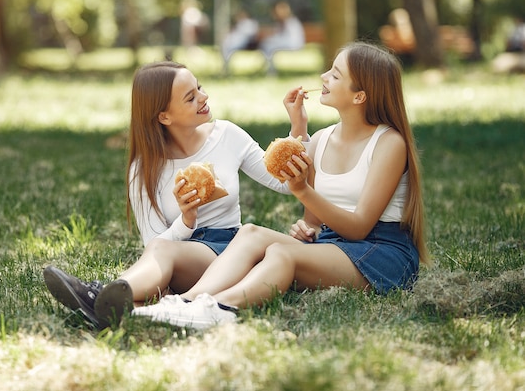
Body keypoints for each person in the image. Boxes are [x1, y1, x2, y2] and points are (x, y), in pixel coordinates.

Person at [132, 42, 430, 330]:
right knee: (251, 233)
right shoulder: (322, 139)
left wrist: (303, 191)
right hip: (334, 244)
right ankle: (185, 303)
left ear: (359, 96)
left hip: (381, 254)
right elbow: (314, 221)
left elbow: (359, 228)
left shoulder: (389, 142)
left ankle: (221, 308)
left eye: (335, 74)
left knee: (281, 254)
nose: (324, 77)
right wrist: (308, 228)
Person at [43, 60, 298, 329]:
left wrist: (297, 128)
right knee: (160, 248)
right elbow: (153, 243)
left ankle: (98, 297)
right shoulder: (143, 169)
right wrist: (186, 221)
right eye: (191, 98)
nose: (204, 97)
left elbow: (283, 183)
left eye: (199, 88)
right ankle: (110, 303)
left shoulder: (227, 135)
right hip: (183, 259)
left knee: (163, 251)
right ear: (164, 116)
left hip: (232, 250)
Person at [259, 0, 305, 74]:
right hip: (289, 43)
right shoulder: (284, 22)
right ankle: (269, 67)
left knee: (267, 45)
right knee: (267, 44)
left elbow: (290, 39)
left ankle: (270, 70)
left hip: (293, 44)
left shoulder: (290, 21)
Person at [221, 9, 260, 73]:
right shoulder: (240, 24)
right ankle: (225, 65)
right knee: (225, 46)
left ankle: (226, 65)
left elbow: (251, 35)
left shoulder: (249, 23)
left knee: (227, 47)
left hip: (244, 43)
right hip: (232, 42)